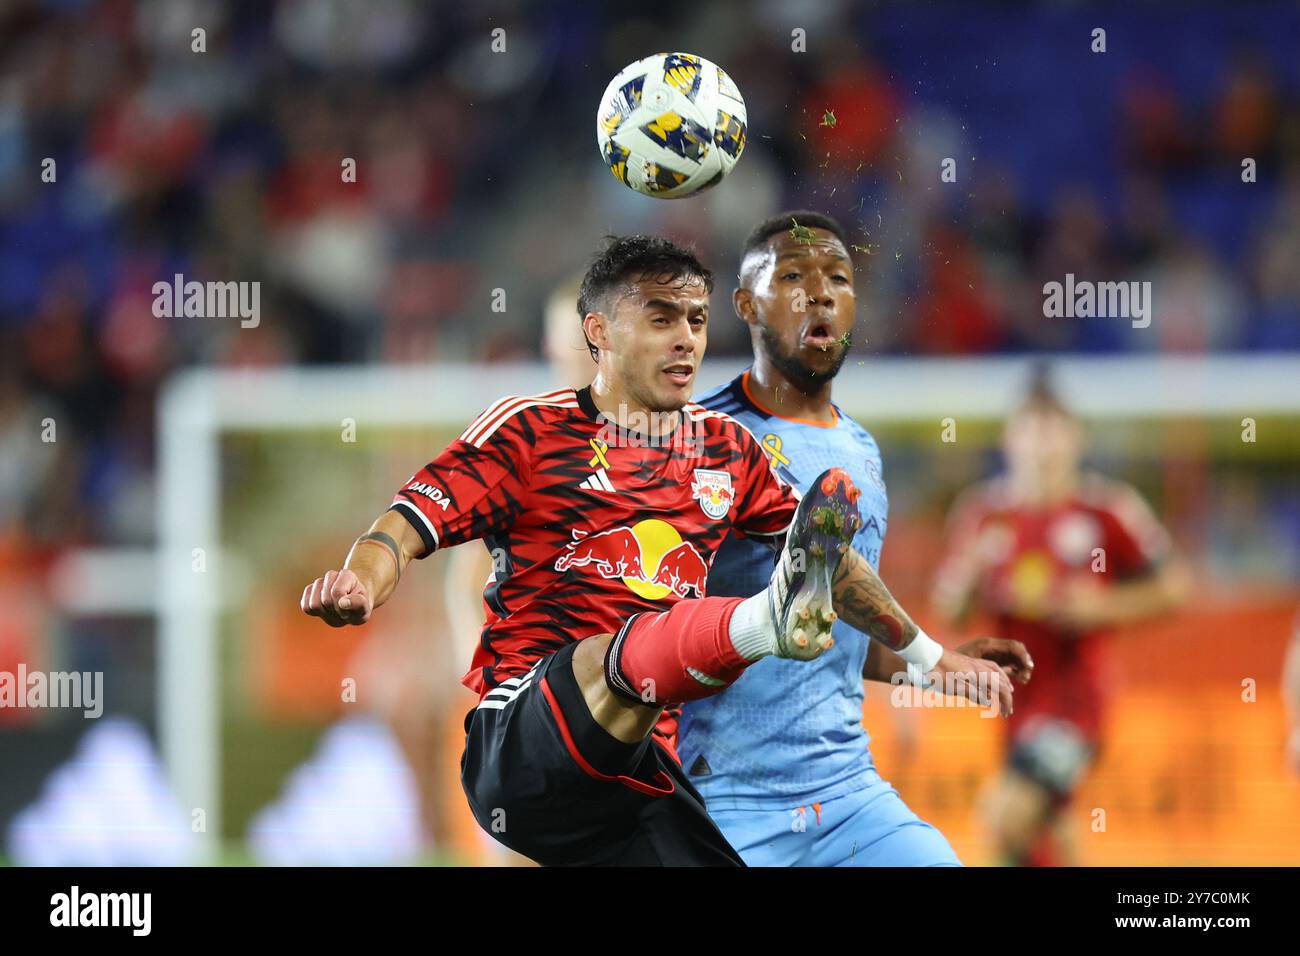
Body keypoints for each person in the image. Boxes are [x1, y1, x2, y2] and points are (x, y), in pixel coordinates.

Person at [300, 235, 1012, 866]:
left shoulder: (728, 452)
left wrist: (931, 659)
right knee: (612, 653)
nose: (686, 340)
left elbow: (833, 565)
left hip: (639, 782)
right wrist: (362, 582)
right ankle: (765, 621)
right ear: (599, 334)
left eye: (697, 321)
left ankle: (767, 618)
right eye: (662, 319)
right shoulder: (527, 432)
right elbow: (406, 522)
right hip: (525, 739)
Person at [678, 211, 1031, 866]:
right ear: (745, 304)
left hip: (846, 793)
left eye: (838, 278)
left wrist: (930, 671)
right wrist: (932, 656)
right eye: (792, 277)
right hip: (726, 799)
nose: (820, 293)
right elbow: (823, 564)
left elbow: (829, 627)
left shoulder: (861, 450)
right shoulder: (711, 439)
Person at [932, 367, 1191, 866]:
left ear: (1076, 438)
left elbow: (1176, 586)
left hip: (1077, 700)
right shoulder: (983, 514)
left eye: (1053, 431)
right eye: (1031, 430)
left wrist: (1104, 606)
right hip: (1012, 703)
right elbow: (950, 610)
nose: (1042, 446)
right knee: (1045, 833)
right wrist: (968, 582)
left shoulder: (1108, 510)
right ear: (1010, 439)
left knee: (1006, 816)